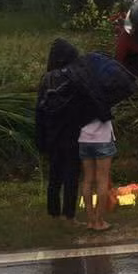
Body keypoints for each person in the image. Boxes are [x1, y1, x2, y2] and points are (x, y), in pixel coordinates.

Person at [36, 38, 81, 224]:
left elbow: (39, 110)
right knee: (71, 175)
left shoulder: (46, 79)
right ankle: (69, 214)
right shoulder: (73, 77)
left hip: (51, 133)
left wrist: (41, 137)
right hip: (71, 133)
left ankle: (53, 212)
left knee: (54, 175)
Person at [79, 113, 116, 231]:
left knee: (87, 179)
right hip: (103, 137)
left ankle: (90, 219)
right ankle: (99, 221)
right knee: (102, 180)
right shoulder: (103, 101)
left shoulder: (79, 100)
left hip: (84, 138)